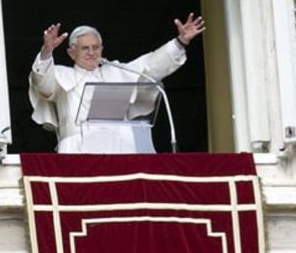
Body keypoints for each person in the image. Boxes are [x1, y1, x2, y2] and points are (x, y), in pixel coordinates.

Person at [28, 13, 205, 153]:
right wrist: (47, 51)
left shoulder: (117, 71)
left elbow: (150, 66)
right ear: (71, 53)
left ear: (102, 49)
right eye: (85, 48)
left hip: (120, 149)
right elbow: (42, 84)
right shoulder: (60, 74)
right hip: (78, 150)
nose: (91, 52)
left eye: (95, 47)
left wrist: (180, 43)